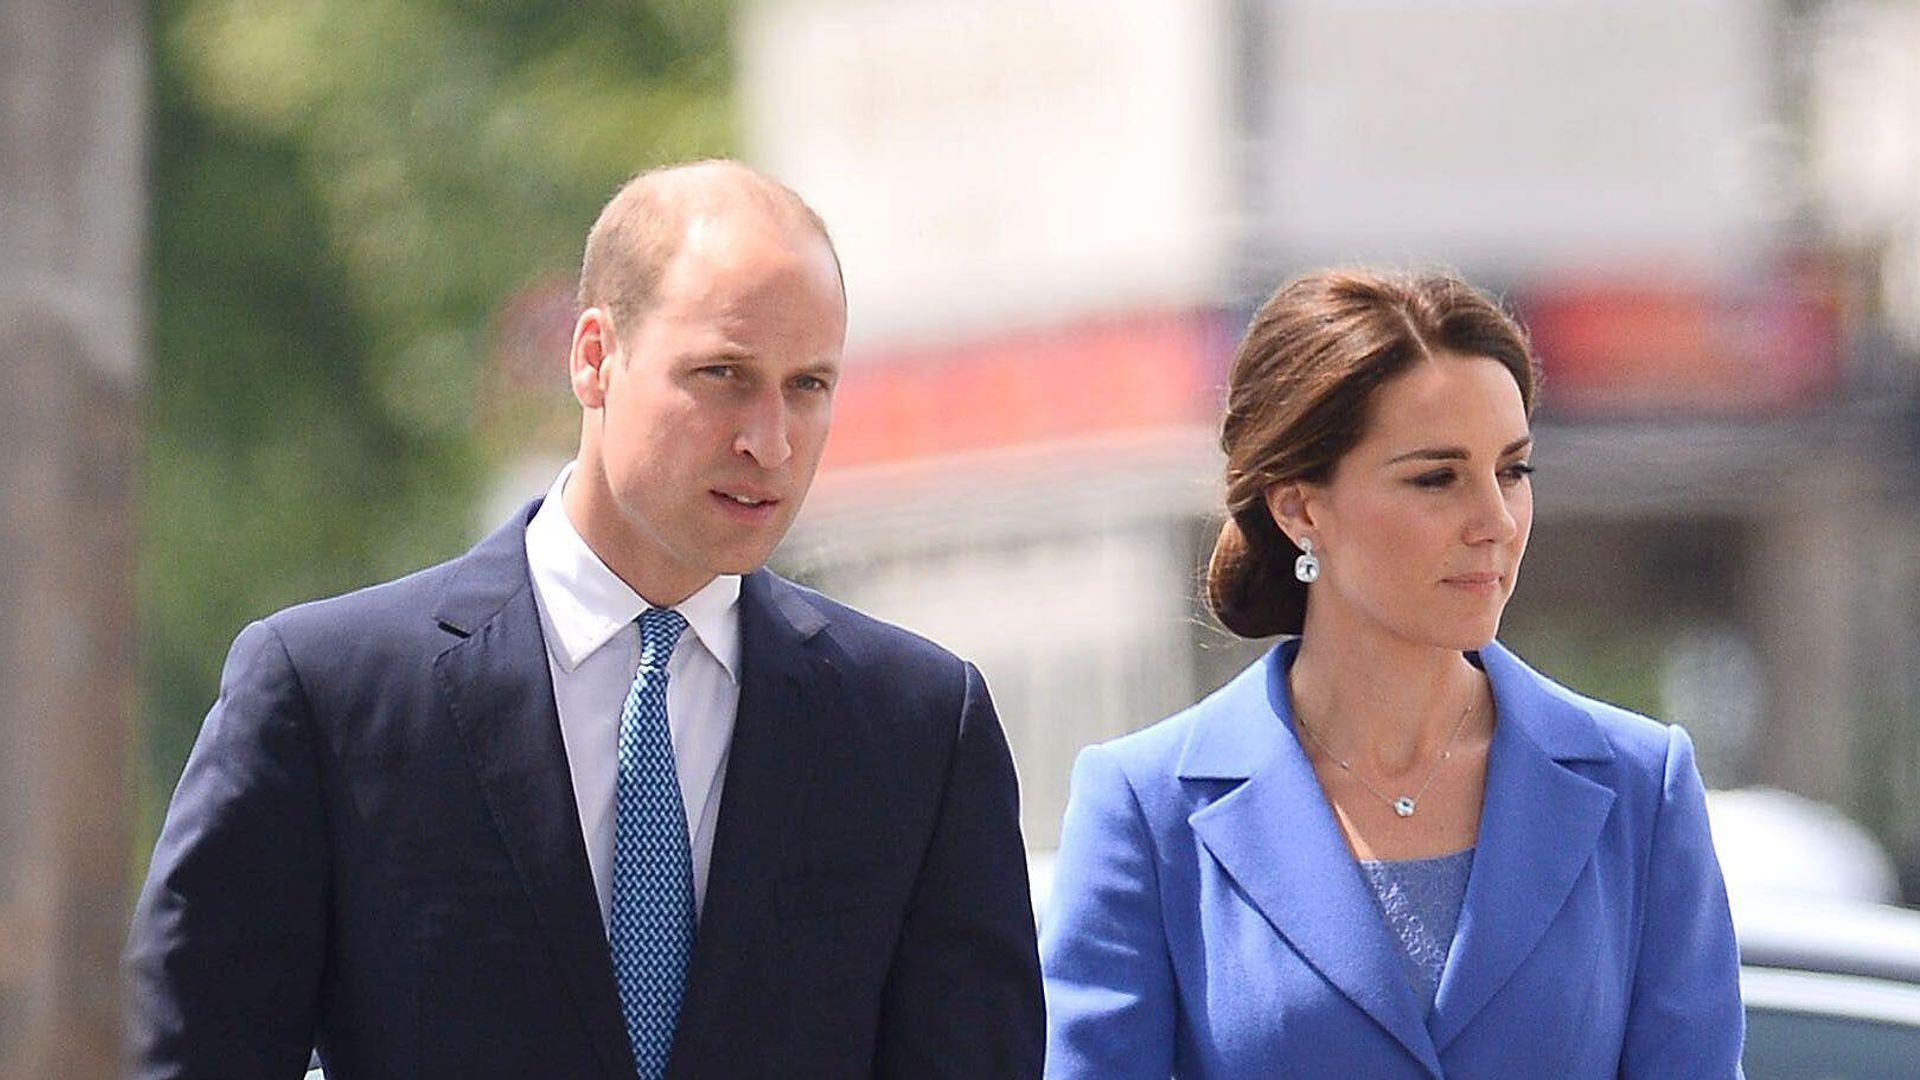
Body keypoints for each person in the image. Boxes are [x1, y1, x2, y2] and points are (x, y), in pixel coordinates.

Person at [127, 160, 1045, 1079]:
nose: (770, 441)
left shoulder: (918, 726)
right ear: (595, 356)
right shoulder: (331, 695)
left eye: (808, 386)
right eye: (722, 375)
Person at [1039, 268, 1744, 1077]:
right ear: (1300, 507)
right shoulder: (1146, 808)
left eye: (1513, 471)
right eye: (1436, 478)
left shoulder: (1639, 788)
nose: (1494, 521)